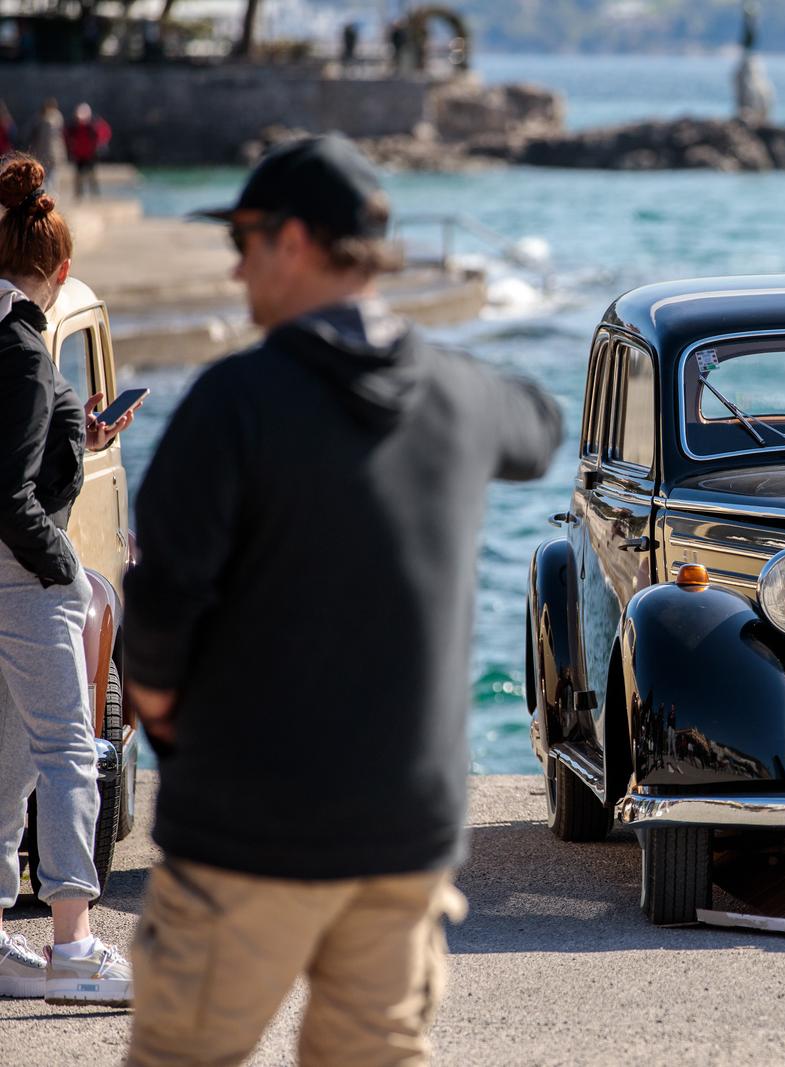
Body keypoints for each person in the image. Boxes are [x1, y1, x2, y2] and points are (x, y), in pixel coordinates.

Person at [122, 135, 563, 1065]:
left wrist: (161, 716)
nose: (234, 265)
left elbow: (158, 608)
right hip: (406, 831)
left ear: (294, 242)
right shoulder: (457, 395)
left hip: (250, 828)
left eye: (243, 238)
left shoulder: (233, 403)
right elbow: (541, 426)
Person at [0, 154, 138, 1005]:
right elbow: (8, 491)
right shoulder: (20, 347)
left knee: (10, 758)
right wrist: (64, 573)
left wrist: (72, 440)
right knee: (66, 754)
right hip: (22, 574)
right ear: (59, 270)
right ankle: (74, 944)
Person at [63, 104, 110, 201]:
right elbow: (66, 135)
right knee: (78, 176)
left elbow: (104, 132)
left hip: (90, 154)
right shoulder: (73, 126)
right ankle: (79, 196)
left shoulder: (93, 125)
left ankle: (95, 195)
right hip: (79, 154)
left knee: (91, 175)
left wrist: (100, 144)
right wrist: (71, 147)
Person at [26, 100, 67, 187]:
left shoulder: (39, 119)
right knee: (52, 175)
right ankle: (51, 193)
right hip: (53, 152)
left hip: (42, 152)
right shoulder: (57, 118)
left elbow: (32, 136)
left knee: (45, 174)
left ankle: (47, 191)